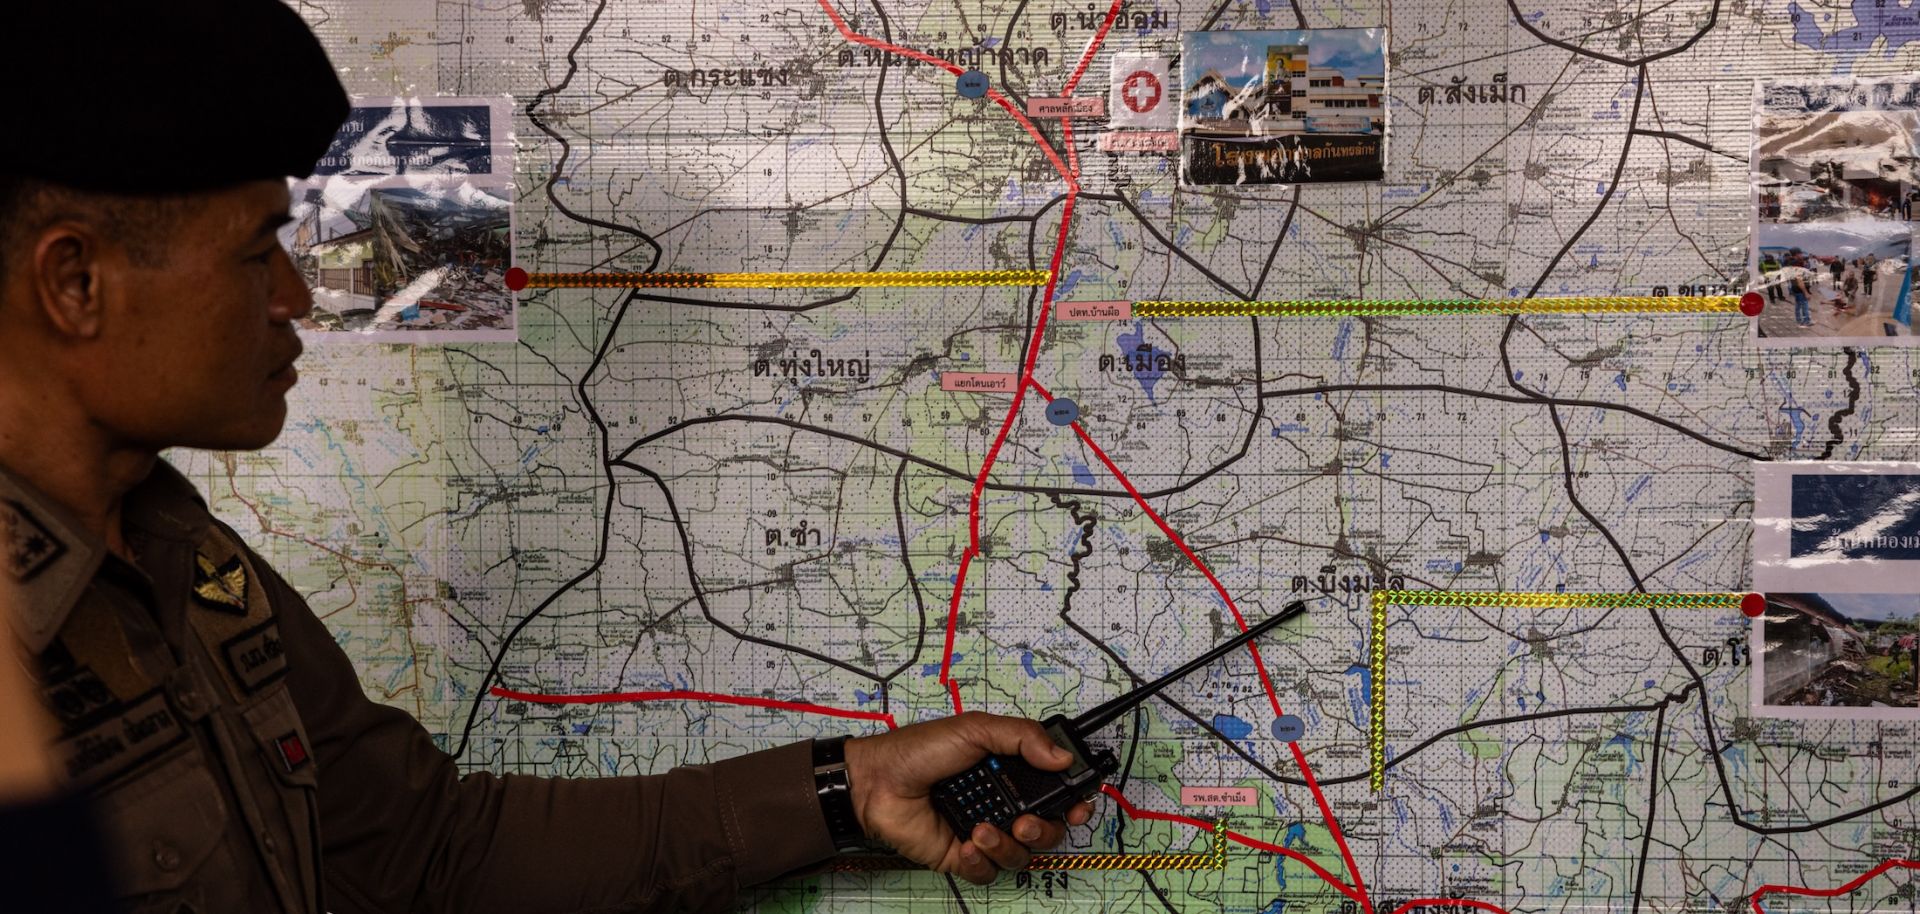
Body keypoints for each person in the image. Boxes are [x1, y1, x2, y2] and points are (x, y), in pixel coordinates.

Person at [0, 3, 1091, 913]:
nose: (292, 297)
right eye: (254, 254)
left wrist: (848, 785)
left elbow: (432, 848)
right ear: (74, 283)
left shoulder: (179, 559)